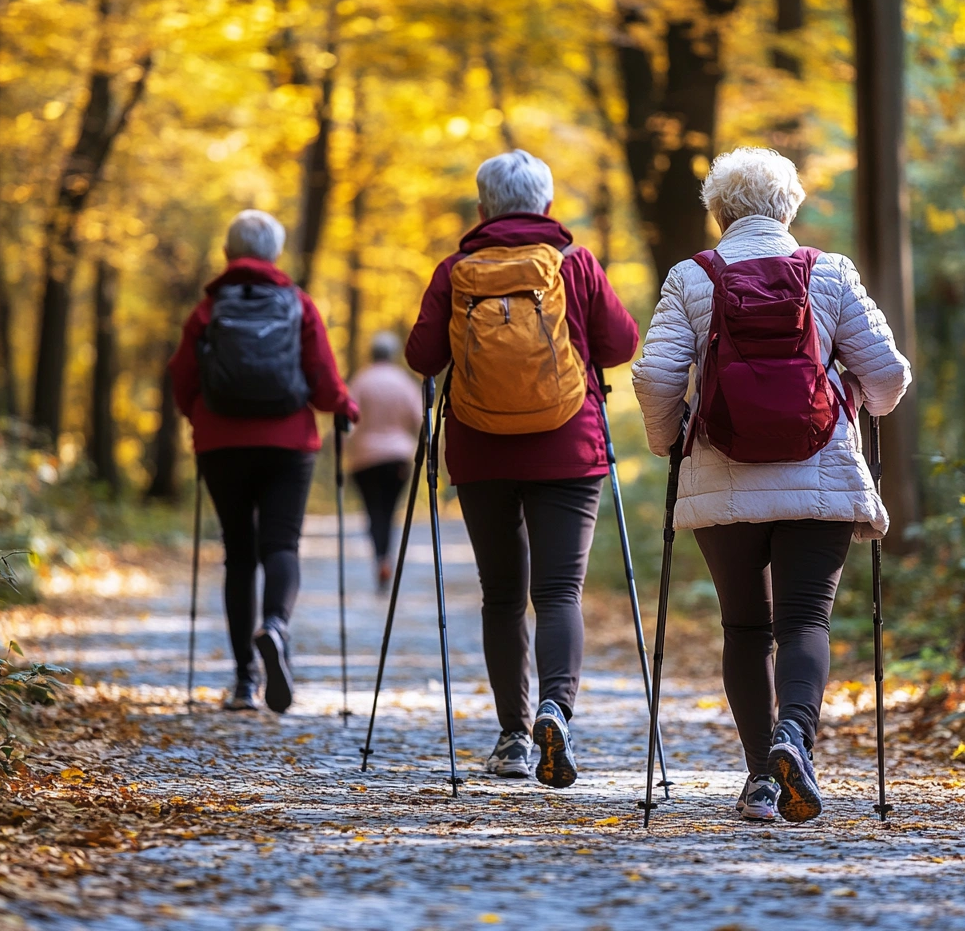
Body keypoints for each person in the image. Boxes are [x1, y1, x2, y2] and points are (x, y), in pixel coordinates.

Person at [632, 147, 912, 823]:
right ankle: (796, 738)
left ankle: (762, 779)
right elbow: (889, 372)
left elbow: (654, 377)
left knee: (745, 627)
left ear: (719, 212)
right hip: (818, 470)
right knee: (804, 619)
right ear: (789, 206)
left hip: (722, 475)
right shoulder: (831, 272)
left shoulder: (691, 277)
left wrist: (667, 440)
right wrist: (861, 403)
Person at [406, 149, 639, 788]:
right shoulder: (575, 264)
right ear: (546, 205)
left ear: (483, 208)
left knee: (503, 594)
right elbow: (621, 344)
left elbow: (422, 356)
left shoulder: (456, 271)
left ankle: (511, 738)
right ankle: (555, 710)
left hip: (481, 451)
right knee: (559, 592)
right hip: (569, 446)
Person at [170, 210, 359, 714]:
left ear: (230, 254)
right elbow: (321, 377)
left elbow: (182, 379)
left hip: (221, 443)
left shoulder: (207, 310)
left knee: (238, 552)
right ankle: (274, 625)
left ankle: (242, 683)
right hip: (288, 442)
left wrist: (200, 416)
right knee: (281, 545)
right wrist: (343, 407)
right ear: (275, 253)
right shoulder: (297, 305)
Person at [346, 331, 422, 592]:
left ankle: (380, 558)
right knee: (389, 512)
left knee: (373, 512)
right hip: (398, 458)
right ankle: (386, 557)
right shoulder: (404, 382)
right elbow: (420, 421)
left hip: (365, 459)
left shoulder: (361, 381)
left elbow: (349, 419)